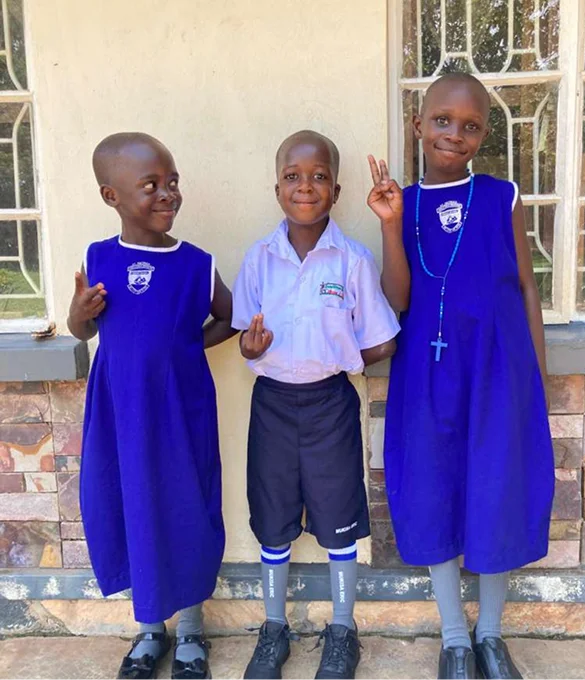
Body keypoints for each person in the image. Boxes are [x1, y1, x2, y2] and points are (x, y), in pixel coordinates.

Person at [367, 73, 554, 680]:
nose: (455, 134)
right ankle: (453, 638)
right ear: (419, 124)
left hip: (498, 371)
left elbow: (526, 286)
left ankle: (490, 635)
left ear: (483, 135)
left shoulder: (503, 196)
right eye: (442, 121)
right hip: (426, 372)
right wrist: (391, 224)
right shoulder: (405, 201)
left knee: (496, 490)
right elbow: (397, 298)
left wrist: (536, 378)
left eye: (470, 126)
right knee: (433, 489)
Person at [232, 130, 399, 680]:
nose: (306, 186)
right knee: (273, 517)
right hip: (273, 404)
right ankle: (274, 627)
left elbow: (382, 339)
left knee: (338, 517)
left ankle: (343, 629)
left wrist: (345, 354)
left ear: (337, 189)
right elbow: (244, 334)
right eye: (293, 177)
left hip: (330, 405)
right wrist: (248, 347)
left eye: (319, 176)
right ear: (276, 187)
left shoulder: (351, 260)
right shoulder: (258, 259)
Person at [68, 132, 236, 680]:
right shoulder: (99, 258)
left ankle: (190, 630)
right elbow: (83, 330)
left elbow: (229, 317)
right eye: (150, 186)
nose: (167, 194)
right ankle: (149, 630)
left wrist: (187, 346)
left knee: (183, 504)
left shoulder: (196, 263)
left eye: (172, 182)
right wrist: (78, 312)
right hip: (121, 414)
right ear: (110, 196)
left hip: (179, 410)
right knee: (131, 503)